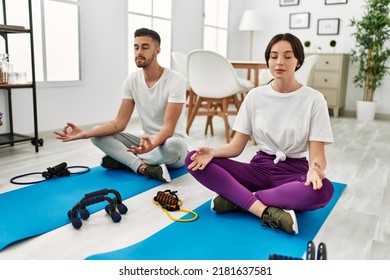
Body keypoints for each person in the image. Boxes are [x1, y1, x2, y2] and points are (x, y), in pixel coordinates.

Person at [185, 33, 334, 235]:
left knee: (324, 190)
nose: (279, 62)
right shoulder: (255, 95)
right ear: (268, 60)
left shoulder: (314, 100)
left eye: (287, 56)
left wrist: (315, 169)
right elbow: (236, 146)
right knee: (193, 159)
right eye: (273, 56)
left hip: (293, 173)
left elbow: (317, 155)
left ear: (298, 61)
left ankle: (240, 200)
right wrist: (212, 151)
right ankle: (262, 209)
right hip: (259, 168)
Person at [55, 28, 188, 183]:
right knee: (97, 135)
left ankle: (125, 160)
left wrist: (151, 146)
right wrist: (85, 133)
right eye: (136, 47)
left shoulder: (175, 80)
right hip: (145, 143)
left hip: (169, 145)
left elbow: (168, 128)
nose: (139, 52)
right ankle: (143, 167)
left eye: (145, 47)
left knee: (175, 146)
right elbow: (119, 123)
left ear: (157, 51)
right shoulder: (131, 80)